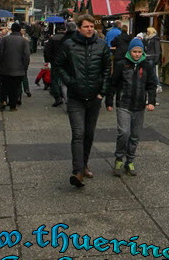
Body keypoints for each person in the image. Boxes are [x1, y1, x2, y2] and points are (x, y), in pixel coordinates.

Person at [55, 14, 111, 188]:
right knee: (78, 133)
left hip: (94, 97)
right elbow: (58, 65)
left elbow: (107, 69)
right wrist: (70, 81)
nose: (89, 29)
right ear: (79, 27)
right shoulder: (69, 45)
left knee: (89, 134)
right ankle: (77, 171)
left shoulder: (101, 45)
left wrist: (102, 91)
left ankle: (84, 165)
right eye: (86, 26)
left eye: (92, 27)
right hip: (75, 97)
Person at [106, 37, 156, 177]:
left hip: (139, 105)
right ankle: (119, 158)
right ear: (130, 51)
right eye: (135, 51)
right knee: (124, 132)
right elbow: (113, 83)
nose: (137, 54)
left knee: (135, 135)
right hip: (124, 103)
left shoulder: (147, 65)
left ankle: (130, 160)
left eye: (140, 52)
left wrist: (151, 101)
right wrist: (109, 101)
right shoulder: (122, 64)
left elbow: (151, 84)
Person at [0, 22, 30, 111]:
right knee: (15, 87)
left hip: (5, 68)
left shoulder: (5, 39)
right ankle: (13, 105)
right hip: (19, 69)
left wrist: (2, 63)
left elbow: (0, 53)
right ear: (20, 30)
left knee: (4, 85)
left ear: (11, 29)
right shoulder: (24, 41)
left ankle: (4, 100)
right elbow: (26, 55)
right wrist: (25, 66)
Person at [44, 22, 74, 107]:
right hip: (67, 62)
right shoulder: (68, 38)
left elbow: (47, 51)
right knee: (65, 80)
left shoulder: (53, 39)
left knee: (55, 79)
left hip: (55, 62)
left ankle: (58, 97)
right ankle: (66, 96)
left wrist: (48, 60)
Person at [143, 26, 162, 92]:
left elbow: (157, 50)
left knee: (153, 73)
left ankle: (158, 85)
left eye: (148, 31)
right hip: (148, 57)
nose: (147, 32)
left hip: (152, 58)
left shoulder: (155, 39)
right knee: (150, 72)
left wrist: (156, 59)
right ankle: (155, 85)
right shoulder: (148, 39)